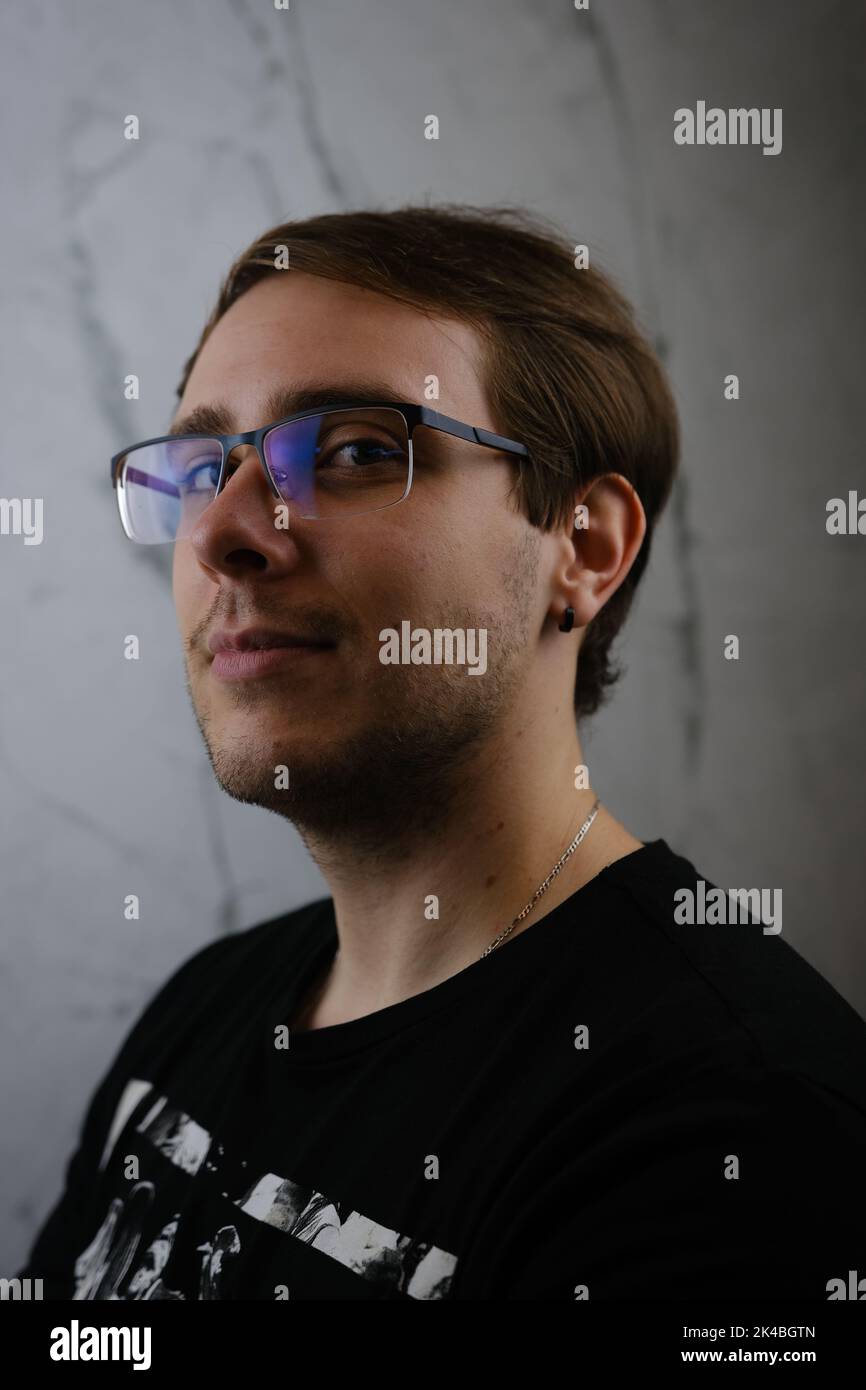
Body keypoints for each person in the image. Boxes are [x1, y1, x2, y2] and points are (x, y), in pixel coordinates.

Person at [17, 204, 866, 1300]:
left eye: (360, 449)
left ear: (583, 547)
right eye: (200, 464)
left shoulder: (738, 1131)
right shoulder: (207, 1006)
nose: (224, 528)